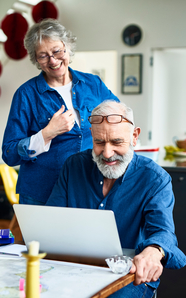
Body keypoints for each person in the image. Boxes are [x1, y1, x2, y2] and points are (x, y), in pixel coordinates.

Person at [46, 100, 186, 297]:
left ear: (134, 136)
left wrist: (154, 250)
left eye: (117, 142)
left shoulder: (155, 178)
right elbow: (51, 220)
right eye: (99, 142)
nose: (107, 153)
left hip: (127, 278)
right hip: (75, 270)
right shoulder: (74, 166)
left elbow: (163, 232)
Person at [1, 19, 119, 205]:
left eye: (57, 51)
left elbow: (119, 120)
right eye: (43, 56)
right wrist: (47, 133)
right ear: (36, 60)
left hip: (89, 189)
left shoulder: (93, 84)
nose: (53, 61)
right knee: (40, 236)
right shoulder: (26, 94)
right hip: (42, 193)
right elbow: (9, 152)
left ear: (67, 47)